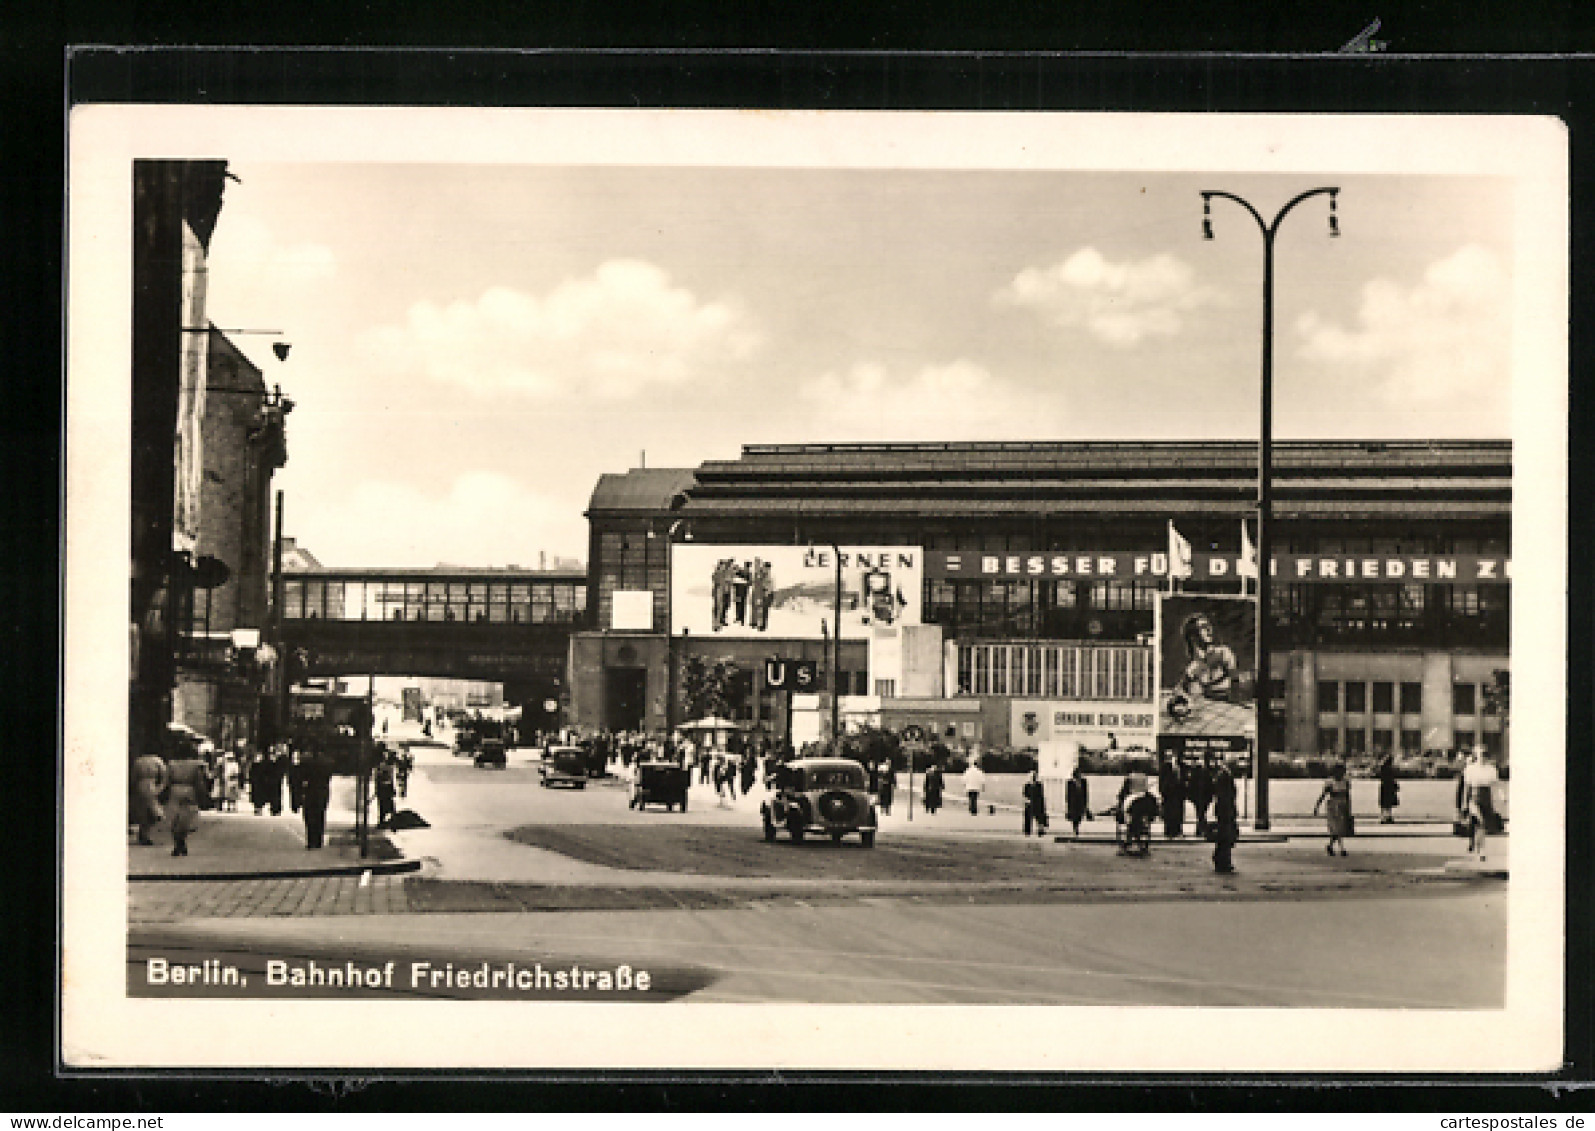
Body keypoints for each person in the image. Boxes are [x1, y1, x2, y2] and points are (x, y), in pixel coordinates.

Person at [165, 740, 210, 858]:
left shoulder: (171, 764)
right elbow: (199, 781)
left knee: (174, 817)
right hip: (190, 790)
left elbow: (167, 780)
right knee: (186, 817)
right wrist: (203, 793)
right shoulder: (195, 765)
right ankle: (182, 841)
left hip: (175, 790)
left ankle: (177, 843)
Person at [1462, 747, 1504, 862]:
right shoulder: (1470, 769)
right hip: (1474, 798)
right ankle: (1480, 850)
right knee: (1480, 822)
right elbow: (1467, 787)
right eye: (1480, 754)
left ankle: (1479, 849)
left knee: (1482, 827)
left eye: (1485, 755)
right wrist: (1464, 804)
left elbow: (1496, 784)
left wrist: (1502, 797)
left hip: (1486, 798)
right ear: (1476, 755)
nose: (1483, 757)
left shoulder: (1491, 769)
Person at [1312, 762, 1354, 857]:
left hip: (1342, 805)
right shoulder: (1330, 782)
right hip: (1333, 806)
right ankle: (1341, 848)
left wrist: (1349, 808)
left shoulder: (1346, 782)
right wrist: (1317, 806)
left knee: (1340, 829)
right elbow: (1323, 795)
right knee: (1336, 828)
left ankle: (1330, 846)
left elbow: (1347, 795)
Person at [295, 750, 334, 850]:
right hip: (322, 791)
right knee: (320, 815)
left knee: (309, 815)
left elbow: (300, 778)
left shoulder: (306, 762)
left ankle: (311, 840)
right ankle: (318, 840)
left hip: (310, 791)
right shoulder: (327, 762)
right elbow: (328, 777)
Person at [130, 750, 168, 845]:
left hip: (140, 786)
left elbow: (133, 777)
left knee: (143, 811)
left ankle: (144, 834)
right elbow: (164, 776)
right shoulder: (158, 761)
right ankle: (145, 835)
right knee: (153, 812)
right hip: (152, 786)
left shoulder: (138, 761)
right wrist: (160, 788)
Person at [1210, 757, 1239, 873]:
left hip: (1224, 810)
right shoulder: (1224, 776)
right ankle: (1223, 860)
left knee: (1224, 837)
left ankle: (1222, 859)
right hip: (1225, 810)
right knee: (1225, 837)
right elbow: (1227, 795)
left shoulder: (1222, 775)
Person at [1158, 754, 1185, 838]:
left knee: (1178, 813)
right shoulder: (1165, 767)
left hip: (1178, 793)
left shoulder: (1181, 767)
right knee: (1169, 813)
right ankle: (1169, 831)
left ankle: (1177, 830)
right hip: (1169, 794)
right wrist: (1163, 791)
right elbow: (1161, 781)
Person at [1064, 764, 1091, 837]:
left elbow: (1086, 793)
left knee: (1079, 816)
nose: (1079, 775)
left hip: (1081, 802)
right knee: (1074, 817)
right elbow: (1068, 794)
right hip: (1073, 802)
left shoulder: (1083, 782)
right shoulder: (1070, 782)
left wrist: (1086, 803)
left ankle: (1076, 828)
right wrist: (1067, 804)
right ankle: (1075, 829)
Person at [374, 751, 397, 830]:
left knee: (389, 805)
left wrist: (392, 788)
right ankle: (382, 821)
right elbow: (379, 778)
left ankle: (390, 821)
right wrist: (377, 789)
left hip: (387, 787)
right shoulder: (382, 766)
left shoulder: (390, 766)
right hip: (383, 787)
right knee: (383, 806)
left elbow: (391, 778)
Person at [1022, 769, 1048, 837]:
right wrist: (1027, 800)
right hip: (1029, 804)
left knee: (1039, 818)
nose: (1033, 777)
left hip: (1037, 803)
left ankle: (1040, 831)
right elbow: (1024, 794)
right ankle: (1027, 832)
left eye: (1034, 776)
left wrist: (1042, 804)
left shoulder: (1039, 785)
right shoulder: (1027, 785)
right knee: (1028, 818)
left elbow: (1041, 795)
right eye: (1032, 776)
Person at [1377, 752, 1400, 823]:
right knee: (1388, 804)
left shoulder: (1382, 768)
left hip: (1384, 786)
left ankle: (1384, 817)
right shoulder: (1389, 769)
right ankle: (1388, 817)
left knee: (1384, 804)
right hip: (1389, 787)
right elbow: (1392, 778)